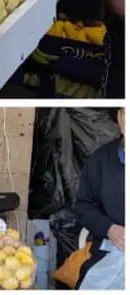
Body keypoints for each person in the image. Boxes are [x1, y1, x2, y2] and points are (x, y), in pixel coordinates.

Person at [75, 107, 125, 288]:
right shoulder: (100, 160)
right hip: (107, 255)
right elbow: (83, 207)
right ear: (120, 118)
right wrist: (109, 228)